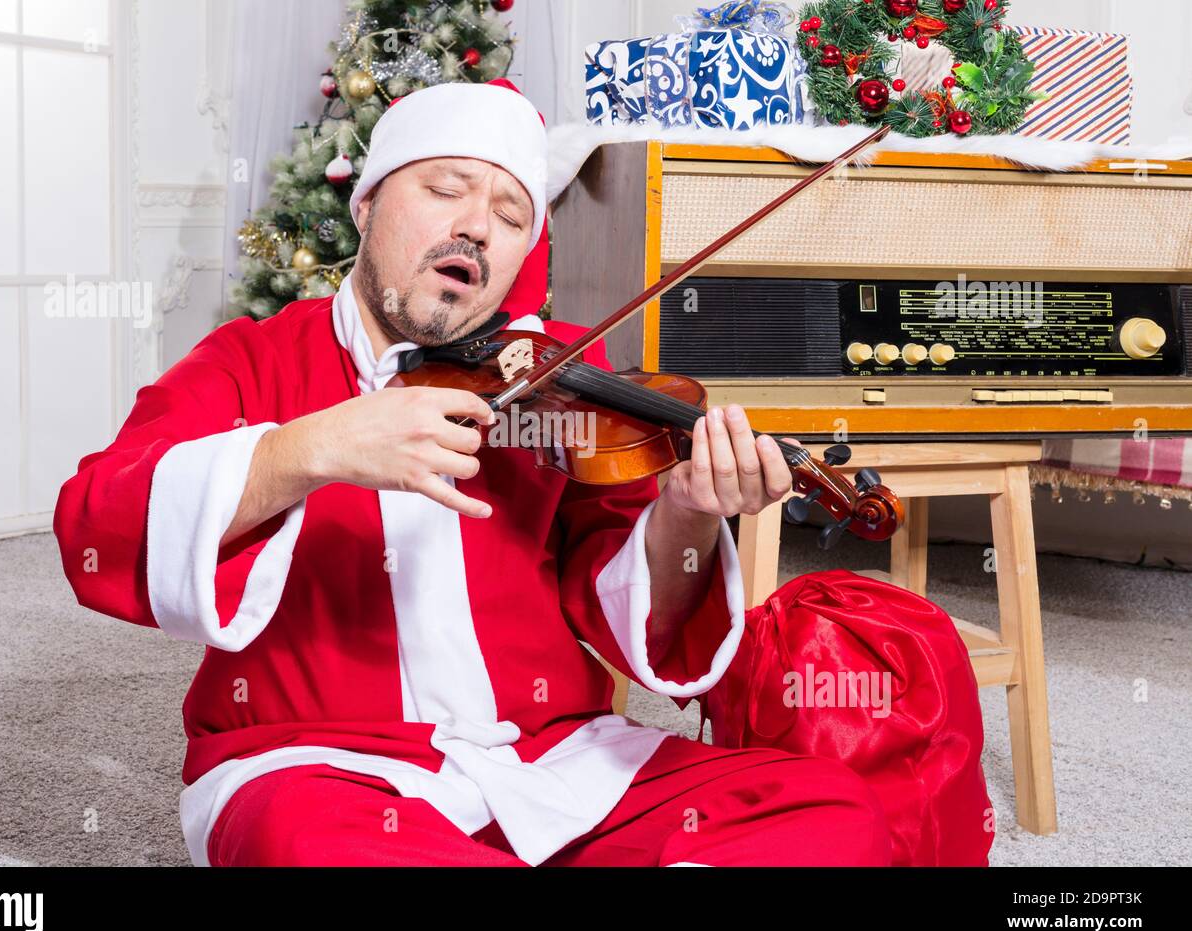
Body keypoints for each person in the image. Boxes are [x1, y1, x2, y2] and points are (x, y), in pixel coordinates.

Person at [54, 78, 895, 866]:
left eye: (510, 213)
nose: (479, 227)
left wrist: (687, 515)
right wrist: (306, 449)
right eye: (445, 189)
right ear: (370, 200)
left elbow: (628, 606)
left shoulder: (550, 382)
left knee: (833, 815)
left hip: (554, 757)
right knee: (301, 844)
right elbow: (101, 520)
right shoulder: (251, 357)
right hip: (320, 768)